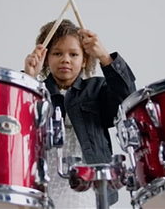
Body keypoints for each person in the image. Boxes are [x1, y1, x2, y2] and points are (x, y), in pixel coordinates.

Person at [24, 19, 136, 208]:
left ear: (84, 59)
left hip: (89, 186)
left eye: (73, 54)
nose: (65, 59)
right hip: (43, 182)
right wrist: (28, 79)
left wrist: (105, 57)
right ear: (46, 59)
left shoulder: (97, 89)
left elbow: (128, 98)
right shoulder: (36, 92)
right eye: (57, 53)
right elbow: (13, 121)